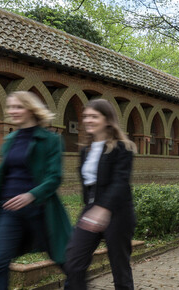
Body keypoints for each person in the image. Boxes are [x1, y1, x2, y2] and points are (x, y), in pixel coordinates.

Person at [0, 91, 72, 290]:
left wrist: (31, 195)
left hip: (40, 209)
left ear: (31, 109)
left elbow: (54, 177)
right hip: (9, 209)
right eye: (10, 107)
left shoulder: (50, 139)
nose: (13, 111)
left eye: (18, 107)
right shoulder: (10, 139)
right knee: (1, 262)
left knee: (63, 259)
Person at [64, 99, 137, 289]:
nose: (88, 120)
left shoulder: (122, 147)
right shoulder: (85, 150)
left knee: (119, 268)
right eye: (86, 116)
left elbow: (120, 182)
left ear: (107, 120)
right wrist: (91, 207)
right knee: (74, 261)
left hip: (118, 212)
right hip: (91, 208)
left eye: (94, 116)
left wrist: (103, 209)